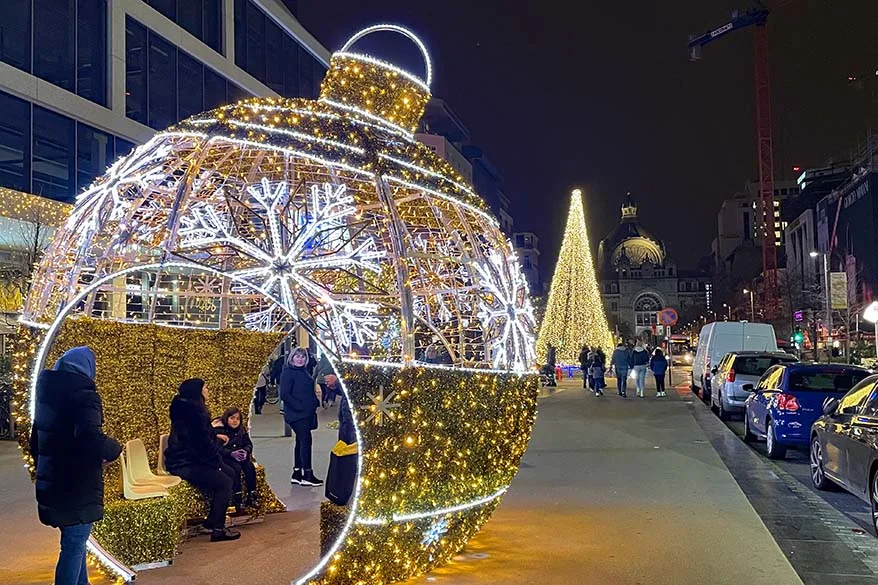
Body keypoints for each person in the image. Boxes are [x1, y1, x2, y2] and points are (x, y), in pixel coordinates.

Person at [30, 346, 122, 585]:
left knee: (74, 541)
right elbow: (89, 437)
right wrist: (114, 448)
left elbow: (35, 440)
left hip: (53, 482)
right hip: (77, 484)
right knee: (73, 545)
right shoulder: (84, 395)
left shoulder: (46, 393)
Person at [165, 378, 241, 542]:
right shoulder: (194, 414)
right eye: (205, 388)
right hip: (185, 463)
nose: (208, 390)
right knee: (225, 482)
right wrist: (217, 463)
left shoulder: (188, 410)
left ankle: (211, 522)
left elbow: (202, 436)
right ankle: (218, 530)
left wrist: (216, 436)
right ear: (197, 391)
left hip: (190, 460)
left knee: (230, 472)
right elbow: (200, 445)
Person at [280, 348, 323, 487]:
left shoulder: (304, 371)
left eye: (302, 357)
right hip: (297, 415)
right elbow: (285, 394)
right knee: (306, 441)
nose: (300, 359)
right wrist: (300, 407)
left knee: (300, 441)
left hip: (306, 413)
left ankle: (297, 473)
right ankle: (307, 475)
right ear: (292, 358)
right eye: (297, 357)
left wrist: (314, 402)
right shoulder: (288, 373)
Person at [212, 407, 257, 507]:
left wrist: (246, 451)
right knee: (235, 469)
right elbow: (218, 448)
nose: (235, 421)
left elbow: (248, 444)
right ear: (226, 418)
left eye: (237, 419)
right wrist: (231, 453)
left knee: (250, 467)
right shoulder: (220, 431)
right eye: (232, 418)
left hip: (241, 456)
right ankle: (237, 497)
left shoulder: (241, 430)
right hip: (227, 458)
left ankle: (252, 494)